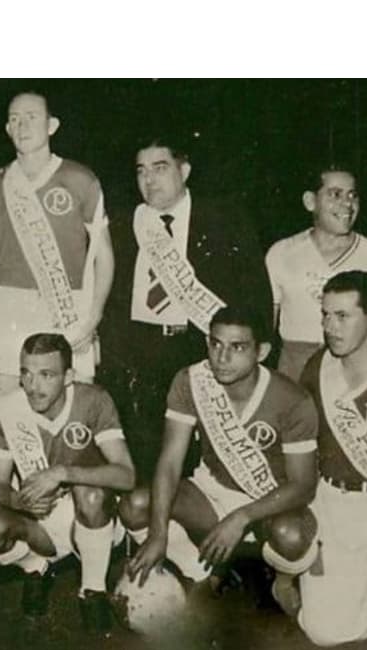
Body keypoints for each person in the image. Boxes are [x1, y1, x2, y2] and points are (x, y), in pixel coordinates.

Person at [125, 306, 319, 606]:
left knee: (290, 536)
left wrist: (241, 517)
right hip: (213, 492)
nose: (222, 357)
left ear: (262, 351)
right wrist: (158, 533)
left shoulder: (293, 400)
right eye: (216, 344)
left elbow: (304, 486)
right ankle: (200, 570)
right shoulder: (192, 380)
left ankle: (282, 581)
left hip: (269, 504)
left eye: (237, 347)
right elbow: (170, 462)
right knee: (136, 505)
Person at [107, 138, 270, 476]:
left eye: (160, 168)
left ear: (185, 170)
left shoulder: (224, 219)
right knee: (145, 454)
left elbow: (253, 290)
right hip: (140, 351)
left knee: (200, 458)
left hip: (198, 348)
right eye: (142, 171)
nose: (149, 179)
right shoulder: (126, 223)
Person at [0, 332, 135, 632]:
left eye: (46, 375)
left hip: (91, 515)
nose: (33, 386)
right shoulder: (5, 409)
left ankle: (92, 591)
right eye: (26, 373)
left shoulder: (93, 400)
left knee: (90, 495)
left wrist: (63, 473)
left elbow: (126, 475)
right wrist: (15, 501)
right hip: (40, 518)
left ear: (69, 376)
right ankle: (35, 568)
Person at [0, 91, 114, 390]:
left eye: (32, 117)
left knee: (70, 407)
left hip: (68, 304)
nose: (22, 126)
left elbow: (103, 254)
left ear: (52, 125)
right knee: (5, 408)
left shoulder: (80, 179)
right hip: (10, 306)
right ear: (7, 129)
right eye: (14, 119)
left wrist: (94, 316)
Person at [294, 271, 367, 645]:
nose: (330, 327)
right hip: (335, 505)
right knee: (323, 632)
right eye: (325, 315)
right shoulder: (317, 368)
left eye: (342, 316)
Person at [266, 163, 367, 381]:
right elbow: (266, 328)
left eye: (352, 195)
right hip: (296, 368)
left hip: (357, 367)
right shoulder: (282, 253)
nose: (347, 204)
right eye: (335, 194)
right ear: (310, 201)